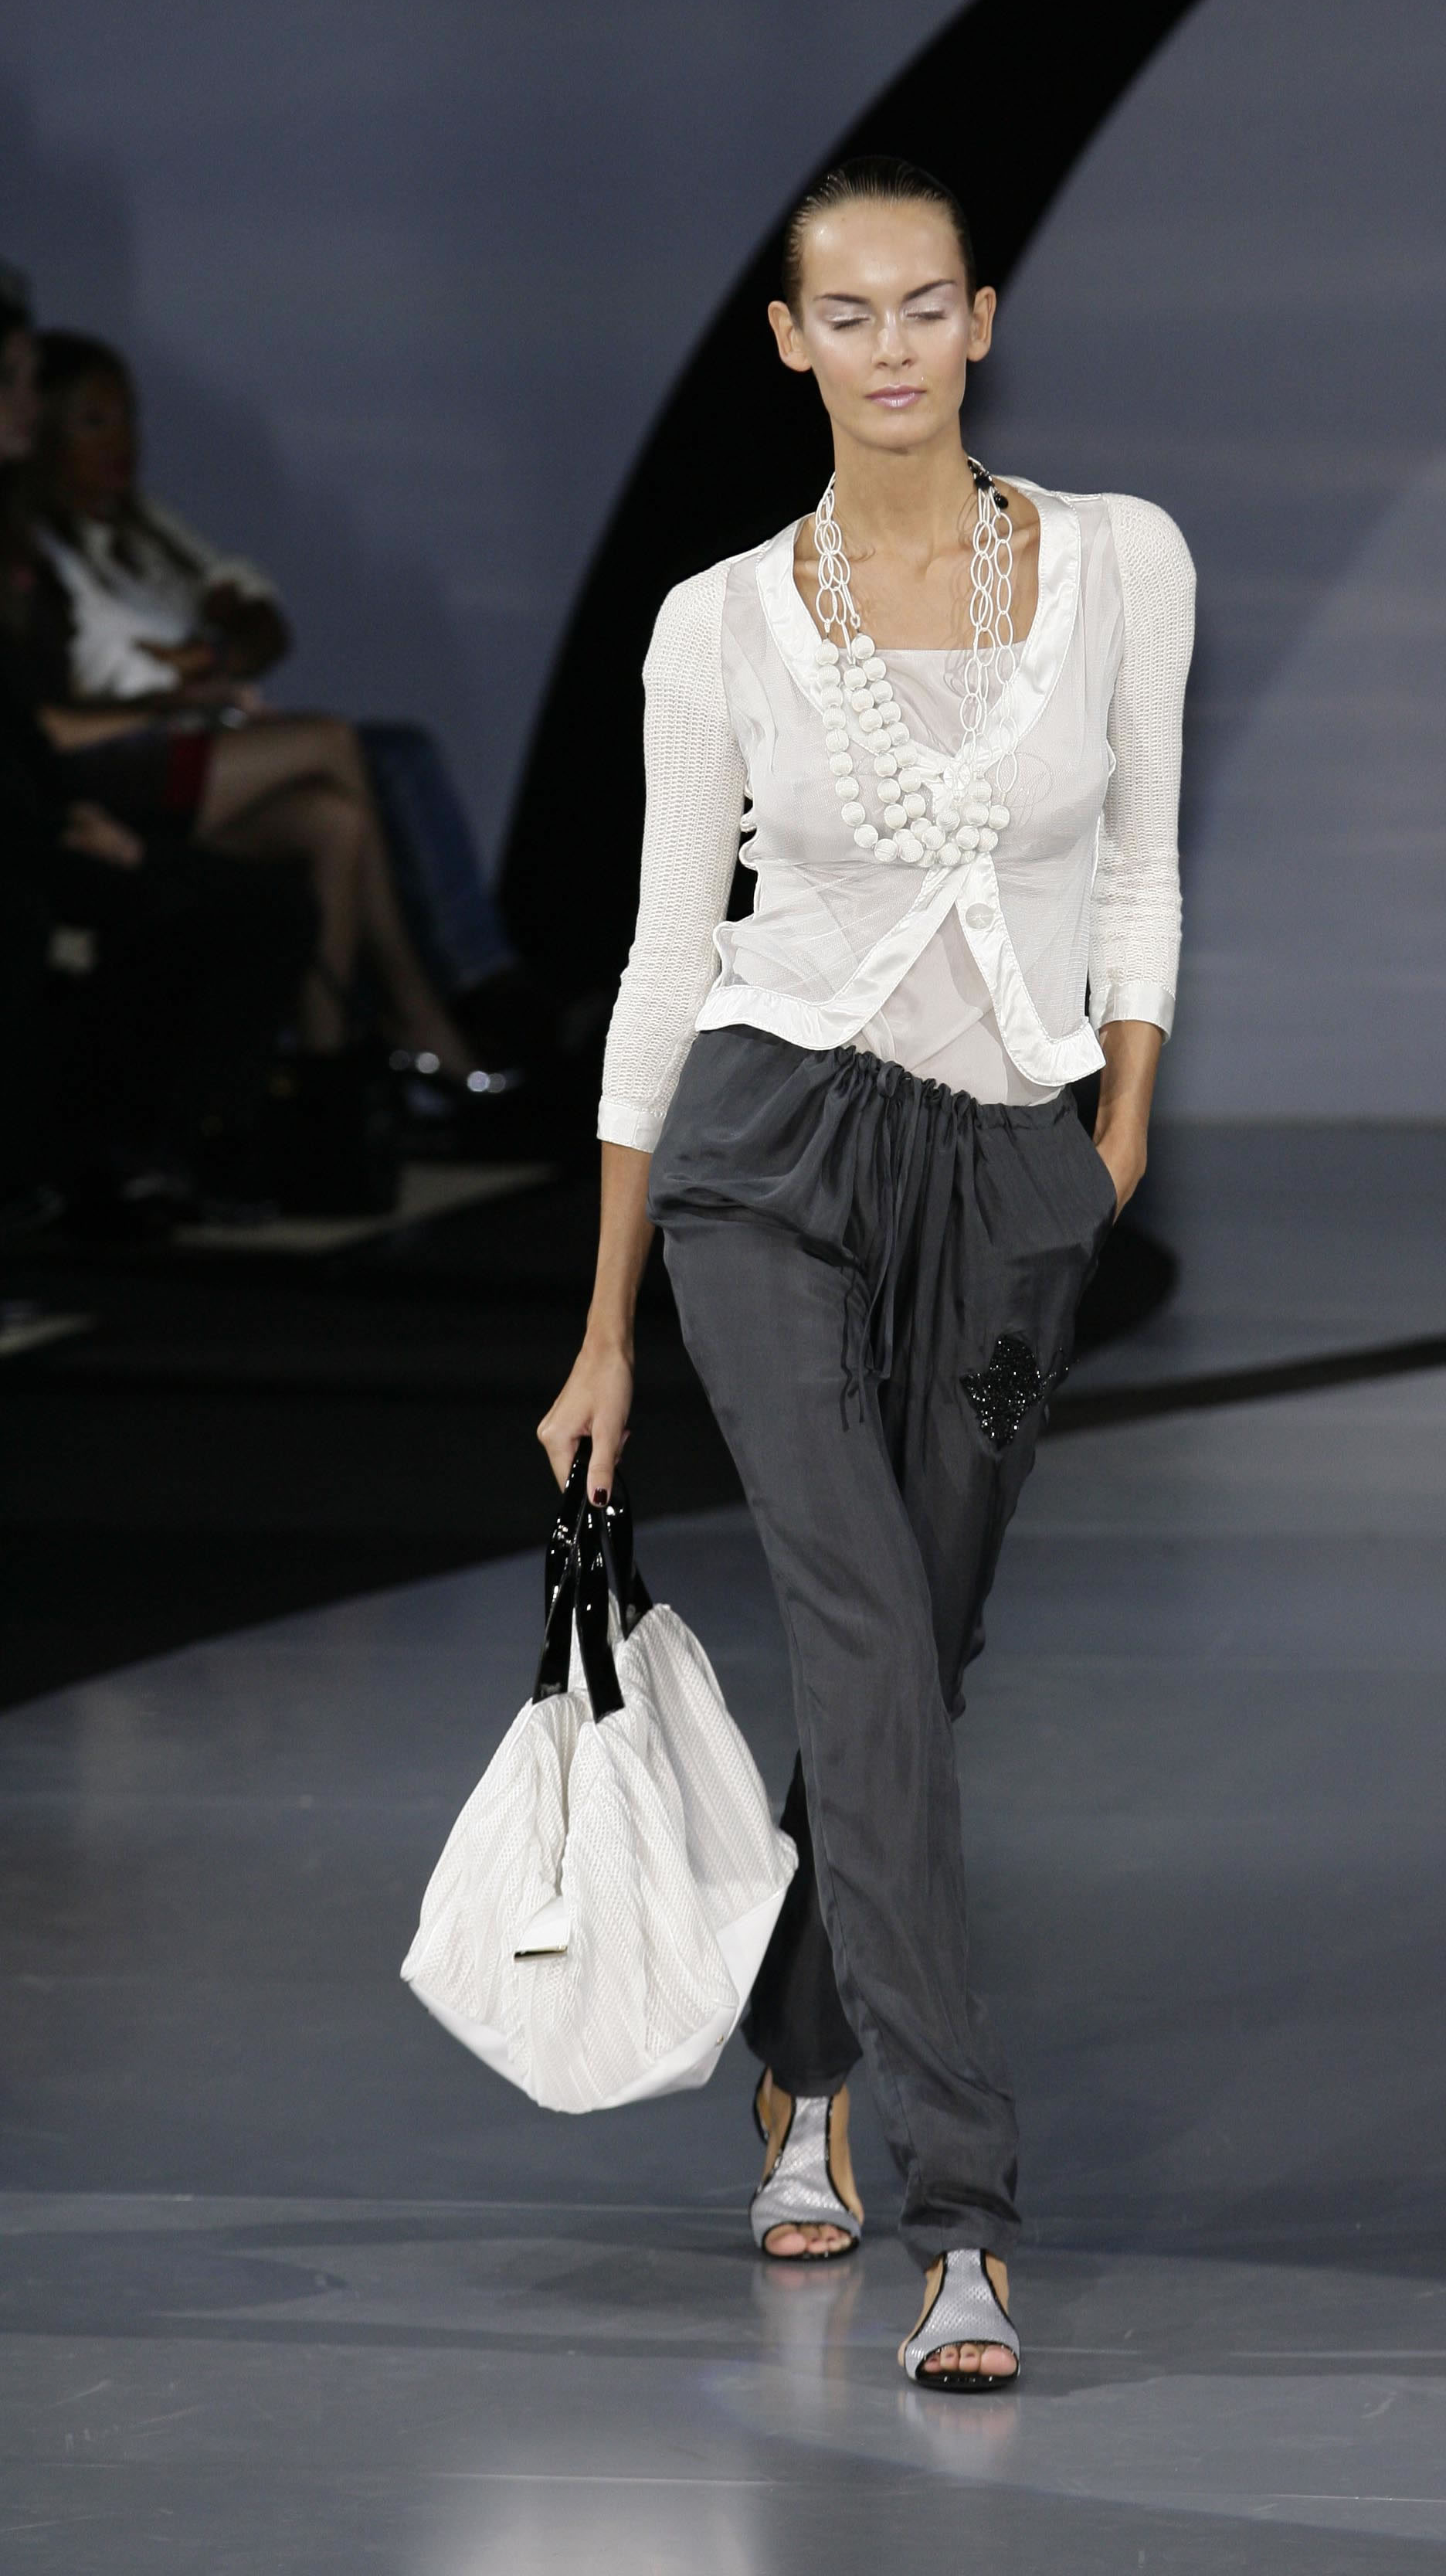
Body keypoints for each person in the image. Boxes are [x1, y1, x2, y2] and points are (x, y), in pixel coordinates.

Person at [538, 157, 1192, 2391]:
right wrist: (607, 1321)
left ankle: (797, 2057)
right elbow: (663, 963)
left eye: (927, 305)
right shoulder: (719, 619)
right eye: (849, 312)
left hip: (1012, 1186)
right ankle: (963, 2206)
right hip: (769, 1170)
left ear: (981, 318)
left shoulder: (1118, 564)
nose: (891, 346)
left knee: (929, 1634)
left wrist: (1110, 1144)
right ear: (788, 340)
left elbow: (1140, 870)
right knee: (857, 1629)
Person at [24, 328, 484, 1077]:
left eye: (129, 417)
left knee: (336, 819)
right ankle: (416, 1009)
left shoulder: (144, 530)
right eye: (93, 421)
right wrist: (181, 693)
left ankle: (325, 1067)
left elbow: (261, 618)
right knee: (336, 743)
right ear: (44, 428)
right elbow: (64, 698)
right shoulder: (39, 551)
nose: (121, 440)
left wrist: (208, 661)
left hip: (191, 743)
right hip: (125, 764)